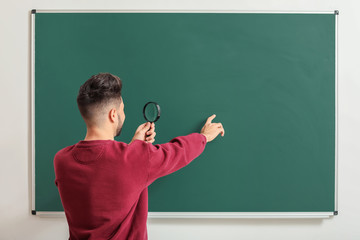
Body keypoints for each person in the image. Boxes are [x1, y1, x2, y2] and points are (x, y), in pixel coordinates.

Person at [53, 73, 225, 240]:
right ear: (113, 114)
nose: (124, 115)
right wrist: (204, 137)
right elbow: (177, 152)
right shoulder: (134, 158)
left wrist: (134, 147)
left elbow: (104, 169)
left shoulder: (61, 161)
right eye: (123, 109)